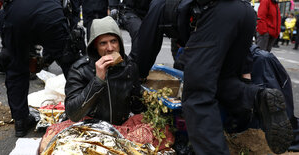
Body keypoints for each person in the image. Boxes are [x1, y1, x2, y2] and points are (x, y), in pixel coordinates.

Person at [130, 0, 293, 154]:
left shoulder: (157, 4)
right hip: (245, 12)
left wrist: (139, 76)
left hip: (217, 13)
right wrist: (246, 81)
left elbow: (146, 46)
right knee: (223, 82)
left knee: (197, 97)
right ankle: (259, 98)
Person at [0, 0, 80, 137]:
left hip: (16, 12)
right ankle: (79, 113)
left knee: (16, 68)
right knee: (69, 64)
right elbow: (72, 8)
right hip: (48, 12)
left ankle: (20, 121)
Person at [64, 16, 145, 125]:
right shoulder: (80, 69)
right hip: (91, 128)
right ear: (95, 46)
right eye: (103, 43)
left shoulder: (129, 66)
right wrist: (97, 81)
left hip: (121, 127)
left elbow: (138, 107)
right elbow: (73, 114)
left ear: (119, 43)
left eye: (113, 41)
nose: (110, 48)